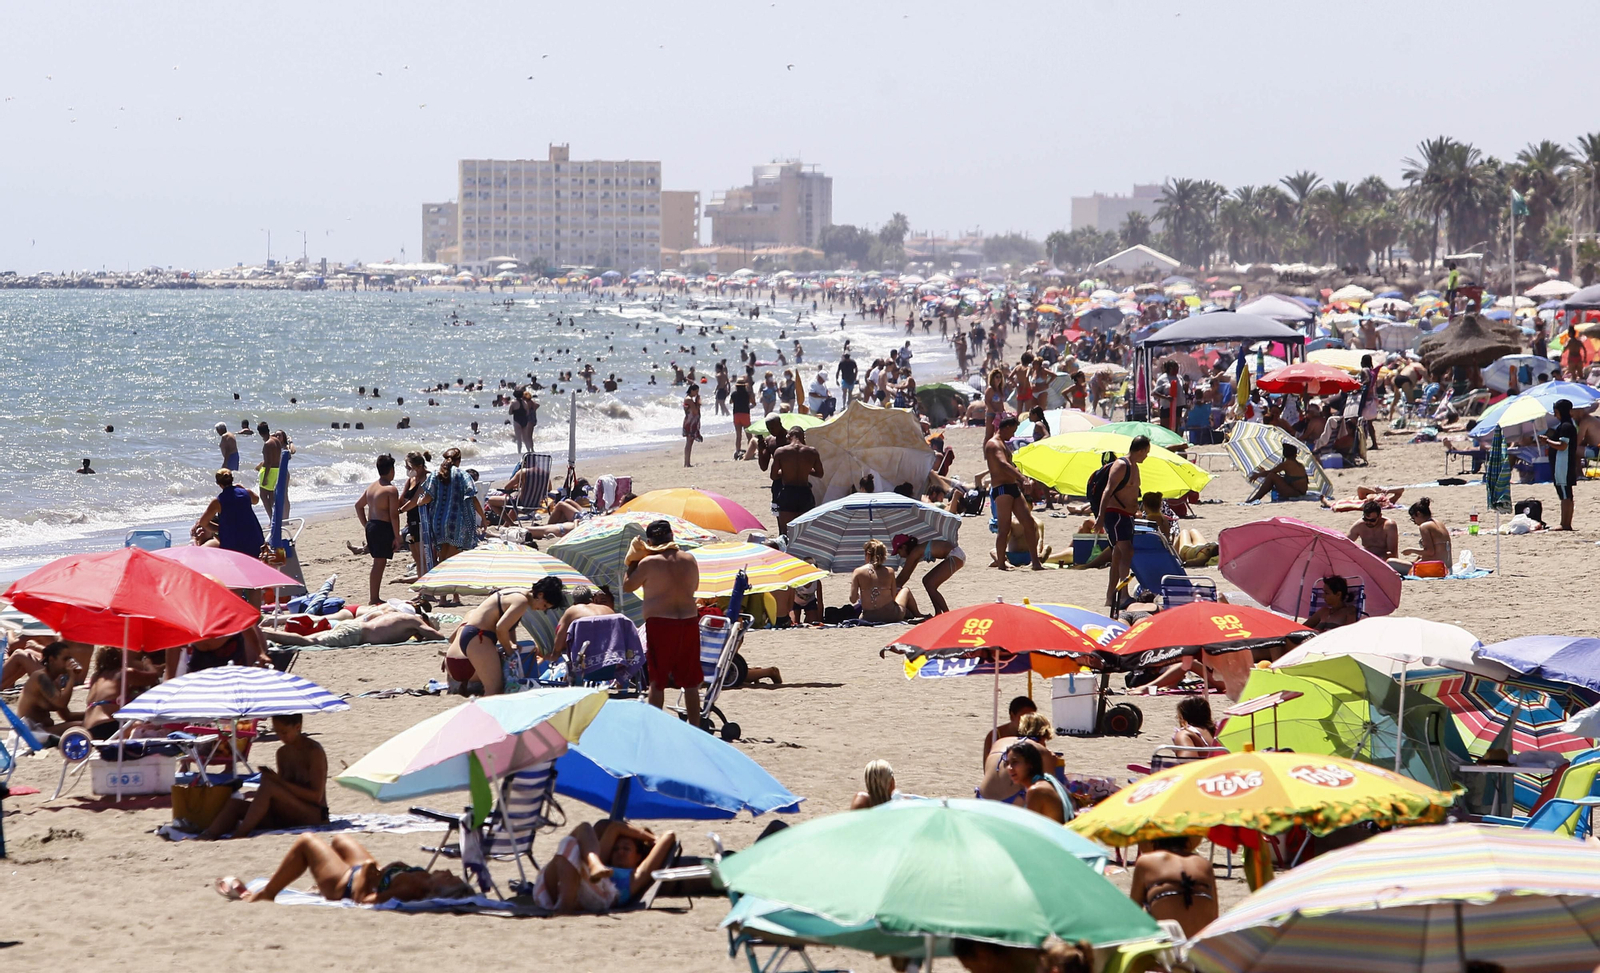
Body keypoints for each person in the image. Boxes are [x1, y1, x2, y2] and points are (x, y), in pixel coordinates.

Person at [214, 834, 468, 904]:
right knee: (340, 841)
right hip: (370, 873)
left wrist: (367, 872)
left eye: (451, 879)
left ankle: (267, 893)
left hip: (344, 885)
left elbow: (363, 899)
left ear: (440, 889)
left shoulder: (410, 888)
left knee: (307, 841)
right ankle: (317, 879)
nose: (451, 872)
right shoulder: (423, 878)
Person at [625, 519, 703, 726]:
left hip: (661, 624)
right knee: (691, 681)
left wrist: (633, 559)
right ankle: (695, 726)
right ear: (672, 536)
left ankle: (654, 725)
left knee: (657, 681)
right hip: (688, 621)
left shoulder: (647, 563)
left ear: (650, 541)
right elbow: (694, 587)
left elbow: (627, 586)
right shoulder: (689, 559)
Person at [199, 714, 328, 839]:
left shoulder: (314, 752)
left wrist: (276, 782)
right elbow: (283, 792)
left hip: (314, 814)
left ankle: (240, 834)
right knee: (235, 804)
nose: (281, 737)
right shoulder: (282, 753)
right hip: (288, 813)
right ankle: (208, 835)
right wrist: (258, 793)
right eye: (277, 732)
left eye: (284, 732)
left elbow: (316, 797)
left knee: (269, 785)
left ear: (298, 727)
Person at [442, 577, 567, 695]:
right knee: (494, 690)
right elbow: (501, 628)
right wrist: (509, 651)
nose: (542, 609)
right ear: (540, 595)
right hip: (480, 637)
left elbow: (508, 626)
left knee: (492, 688)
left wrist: (512, 644)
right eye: (544, 605)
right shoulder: (522, 601)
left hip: (472, 635)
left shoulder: (516, 593)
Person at [530, 820, 677, 914]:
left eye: (626, 849)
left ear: (639, 857)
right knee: (579, 834)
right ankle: (594, 865)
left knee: (572, 841)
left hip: (596, 895)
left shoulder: (635, 876)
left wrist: (652, 839)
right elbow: (613, 828)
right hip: (546, 889)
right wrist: (645, 835)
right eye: (616, 849)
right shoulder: (605, 863)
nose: (619, 852)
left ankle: (565, 905)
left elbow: (669, 836)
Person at [1129, 835, 1218, 937]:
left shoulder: (1146, 862)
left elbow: (1133, 914)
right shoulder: (1204, 864)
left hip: (1168, 946)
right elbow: (1215, 917)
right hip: (1202, 946)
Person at [1096, 435, 1148, 611]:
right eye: (1146, 452)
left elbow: (1133, 493)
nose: (1146, 456)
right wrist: (1100, 517)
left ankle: (1110, 597)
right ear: (1140, 450)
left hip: (1127, 515)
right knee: (1127, 551)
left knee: (1117, 556)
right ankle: (1123, 595)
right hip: (1115, 515)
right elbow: (1107, 491)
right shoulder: (1121, 465)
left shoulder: (1135, 467)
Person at [986, 414, 1043, 572]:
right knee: (1004, 529)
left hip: (1012, 487)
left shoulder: (1003, 444)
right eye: (1013, 430)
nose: (1014, 435)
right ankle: (1001, 564)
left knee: (1029, 523)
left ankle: (1036, 563)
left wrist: (1025, 478)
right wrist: (1022, 479)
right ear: (1005, 428)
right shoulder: (993, 444)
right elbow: (1003, 465)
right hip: (1002, 489)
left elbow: (1011, 465)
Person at [415, 447, 484, 566]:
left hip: (438, 522)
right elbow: (472, 497)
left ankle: (441, 581)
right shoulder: (463, 475)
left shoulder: (435, 474)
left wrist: (419, 502)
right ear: (459, 460)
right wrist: (483, 517)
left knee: (442, 558)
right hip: (456, 523)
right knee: (451, 561)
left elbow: (427, 498)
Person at [263, 605, 445, 648]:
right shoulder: (415, 621)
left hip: (353, 625)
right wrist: (443, 639)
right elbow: (434, 635)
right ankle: (266, 633)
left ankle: (268, 630)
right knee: (309, 641)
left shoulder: (395, 613)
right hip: (355, 633)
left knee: (312, 634)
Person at [353, 454, 400, 606]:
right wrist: (397, 536)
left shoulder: (371, 487)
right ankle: (374, 598)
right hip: (382, 527)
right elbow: (393, 515)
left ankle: (375, 596)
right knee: (379, 563)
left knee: (379, 562)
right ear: (391, 470)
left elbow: (358, 506)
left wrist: (366, 524)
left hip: (372, 525)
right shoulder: (390, 489)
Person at [15, 641, 82, 739]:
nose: (69, 662)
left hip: (42, 729)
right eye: (65, 659)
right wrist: (71, 678)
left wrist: (91, 713)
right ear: (52, 660)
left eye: (70, 658)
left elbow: (67, 716)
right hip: (32, 732)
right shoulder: (41, 677)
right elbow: (61, 703)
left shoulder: (54, 681)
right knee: (82, 726)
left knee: (87, 723)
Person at [192, 469, 265, 557]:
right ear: (232, 479)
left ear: (218, 483)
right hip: (254, 539)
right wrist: (242, 489)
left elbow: (203, 522)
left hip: (233, 543)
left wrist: (219, 529)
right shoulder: (246, 493)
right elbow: (256, 500)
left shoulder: (218, 501)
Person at [891, 532, 965, 615]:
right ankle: (938, 613)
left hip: (955, 555)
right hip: (955, 554)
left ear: (904, 547)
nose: (899, 555)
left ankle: (947, 614)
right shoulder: (917, 552)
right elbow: (907, 575)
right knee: (926, 581)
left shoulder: (915, 553)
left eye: (898, 552)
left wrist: (891, 588)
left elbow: (903, 575)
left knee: (930, 585)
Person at [849, 539, 920, 623]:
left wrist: (860, 595)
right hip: (891, 616)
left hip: (868, 617)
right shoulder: (889, 571)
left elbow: (852, 599)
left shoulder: (858, 572)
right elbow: (893, 596)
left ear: (867, 554)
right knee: (905, 590)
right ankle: (918, 614)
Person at [1003, 737, 1072, 822]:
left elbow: (1030, 830)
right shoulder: (1047, 780)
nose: (1009, 768)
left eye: (1015, 762)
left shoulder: (1036, 791)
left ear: (1030, 764)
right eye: (1007, 763)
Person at [771, 426, 824, 536]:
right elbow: (820, 473)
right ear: (803, 437)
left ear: (788, 437)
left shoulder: (781, 452)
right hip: (805, 493)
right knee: (805, 533)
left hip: (787, 493)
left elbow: (774, 476)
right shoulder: (812, 451)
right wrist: (806, 470)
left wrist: (786, 471)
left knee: (785, 533)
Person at [549, 585, 616, 660]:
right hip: (611, 657)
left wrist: (554, 656)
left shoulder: (572, 611)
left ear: (574, 602)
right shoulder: (609, 611)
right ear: (591, 599)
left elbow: (559, 644)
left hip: (584, 661)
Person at [1389, 497, 1451, 576]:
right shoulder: (1439, 523)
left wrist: (1411, 550)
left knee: (1390, 562)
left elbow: (1430, 552)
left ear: (1418, 514)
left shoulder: (1424, 526)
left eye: (1413, 519)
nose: (1414, 522)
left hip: (1436, 568)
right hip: (1447, 567)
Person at [1546, 397, 1579, 531]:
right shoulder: (1568, 425)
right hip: (1565, 464)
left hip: (1562, 464)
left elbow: (1563, 445)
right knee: (1567, 494)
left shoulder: (1565, 426)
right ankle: (1565, 523)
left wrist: (1547, 441)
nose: (1555, 415)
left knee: (1565, 494)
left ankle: (1565, 524)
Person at [396, 451, 429, 581]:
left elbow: (415, 501)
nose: (408, 470)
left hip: (422, 522)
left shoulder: (427, 478)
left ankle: (425, 589)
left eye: (409, 467)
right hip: (411, 523)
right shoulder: (411, 480)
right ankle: (421, 588)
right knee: (415, 555)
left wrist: (399, 511)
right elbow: (402, 498)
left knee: (423, 557)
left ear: (419, 466)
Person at [1245, 442, 1310, 502]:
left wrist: (1258, 475)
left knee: (1271, 476)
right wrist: (1264, 472)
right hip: (1300, 492)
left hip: (1295, 493)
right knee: (1273, 476)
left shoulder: (1287, 464)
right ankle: (1255, 498)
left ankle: (1255, 498)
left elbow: (1271, 473)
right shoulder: (1300, 465)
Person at [982, 696, 1037, 764]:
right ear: (1012, 716)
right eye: (1023, 719)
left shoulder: (1035, 735)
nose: (1028, 723)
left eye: (1032, 719)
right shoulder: (995, 735)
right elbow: (988, 766)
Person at [1153, 360, 1186, 431]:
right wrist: (1166, 397)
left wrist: (1186, 388)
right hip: (1167, 407)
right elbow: (1154, 393)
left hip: (1178, 406)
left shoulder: (1179, 377)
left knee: (1176, 427)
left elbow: (1182, 390)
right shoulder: (1163, 379)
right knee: (1166, 429)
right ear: (1170, 368)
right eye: (1175, 368)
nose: (1177, 370)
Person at [730, 376, 753, 458]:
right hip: (745, 414)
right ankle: (751, 450)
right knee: (749, 435)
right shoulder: (747, 394)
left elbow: (730, 402)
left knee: (738, 435)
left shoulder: (734, 394)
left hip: (736, 414)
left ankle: (737, 450)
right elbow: (753, 403)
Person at [681, 383, 702, 467]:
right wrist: (698, 402)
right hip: (690, 422)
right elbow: (695, 411)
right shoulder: (689, 399)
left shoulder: (689, 399)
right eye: (696, 391)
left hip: (692, 421)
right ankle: (687, 463)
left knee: (690, 442)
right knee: (689, 442)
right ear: (692, 390)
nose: (697, 393)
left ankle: (687, 462)